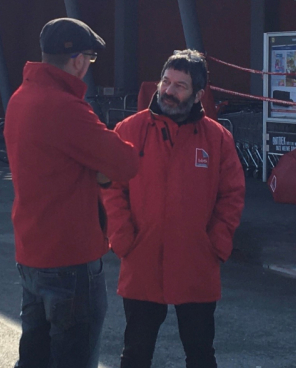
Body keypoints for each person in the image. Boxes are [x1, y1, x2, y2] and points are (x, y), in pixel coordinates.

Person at [4, 18, 139, 368]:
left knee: (33, 355)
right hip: (70, 256)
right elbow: (125, 163)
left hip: (32, 250)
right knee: (73, 356)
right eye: (90, 59)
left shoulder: (21, 97)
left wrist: (91, 170)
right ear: (78, 60)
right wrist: (100, 174)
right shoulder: (65, 107)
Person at [102, 50, 246, 368]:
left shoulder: (217, 139)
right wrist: (122, 237)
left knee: (200, 354)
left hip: (196, 261)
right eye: (165, 81)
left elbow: (232, 194)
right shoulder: (129, 130)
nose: (168, 90)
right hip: (142, 256)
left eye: (180, 85)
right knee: (135, 353)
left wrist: (217, 243)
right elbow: (112, 186)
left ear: (198, 94)